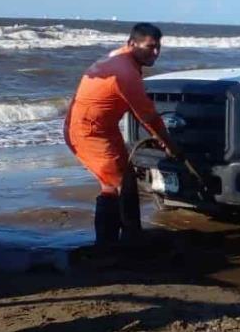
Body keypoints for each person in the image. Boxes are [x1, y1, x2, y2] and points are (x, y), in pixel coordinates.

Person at [64, 22, 181, 245]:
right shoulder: (125, 72)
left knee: (126, 177)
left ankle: (132, 234)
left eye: (158, 47)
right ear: (131, 44)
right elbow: (148, 116)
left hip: (103, 127)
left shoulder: (121, 58)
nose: (155, 53)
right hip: (87, 132)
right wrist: (169, 144)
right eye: (149, 47)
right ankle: (107, 246)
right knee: (112, 185)